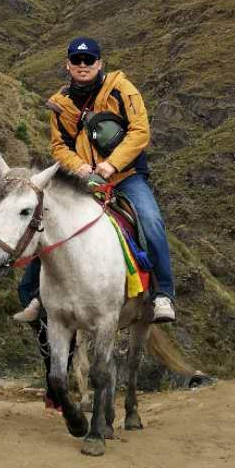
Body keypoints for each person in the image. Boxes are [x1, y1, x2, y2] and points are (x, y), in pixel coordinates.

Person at [15, 36, 176, 325]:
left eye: (88, 60)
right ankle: (35, 297)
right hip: (83, 181)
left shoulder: (121, 90)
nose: (82, 65)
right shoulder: (60, 105)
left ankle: (163, 294)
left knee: (150, 220)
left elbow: (140, 131)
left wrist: (111, 164)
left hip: (126, 176)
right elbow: (59, 146)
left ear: (99, 63)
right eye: (76, 60)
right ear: (68, 65)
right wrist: (78, 167)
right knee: (49, 221)